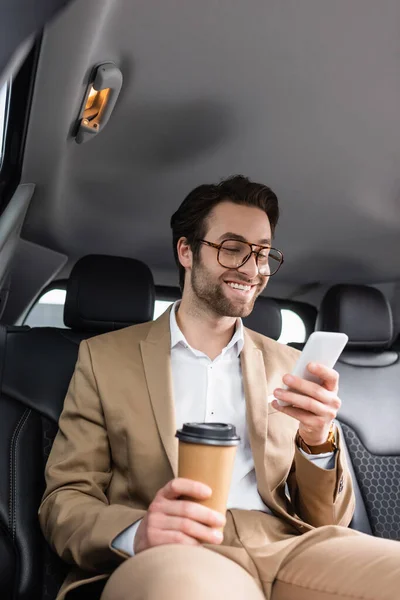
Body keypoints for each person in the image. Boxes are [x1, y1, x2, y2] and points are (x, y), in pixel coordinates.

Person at [39, 175, 400, 600]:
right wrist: (138, 532)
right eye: (232, 249)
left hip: (285, 548)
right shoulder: (105, 360)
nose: (252, 269)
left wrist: (317, 440)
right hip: (175, 553)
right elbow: (65, 501)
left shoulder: (289, 365)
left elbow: (331, 523)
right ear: (187, 252)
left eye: (263, 253)